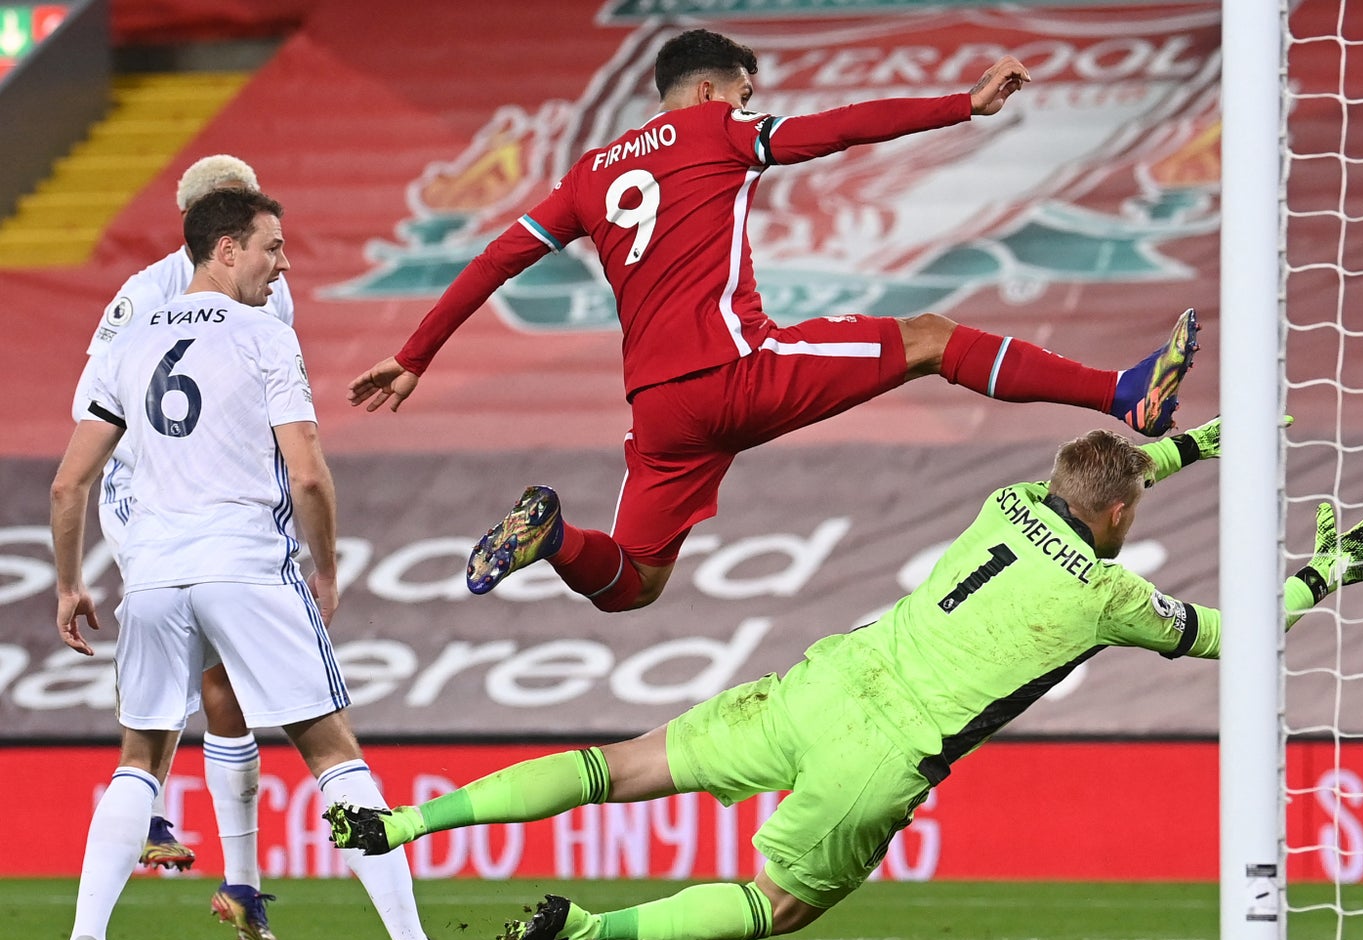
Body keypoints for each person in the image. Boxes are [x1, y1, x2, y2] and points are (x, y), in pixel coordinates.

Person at [326, 418, 1363, 940]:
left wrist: (1190, 445)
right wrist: (1321, 574)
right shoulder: (1110, 593)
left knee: (621, 766)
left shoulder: (1006, 499)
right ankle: (586, 931)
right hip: (881, 754)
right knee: (778, 904)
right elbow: (1230, 634)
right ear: (1121, 518)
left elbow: (1103, 475)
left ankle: (408, 818)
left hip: (823, 679)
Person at [346, 29, 1199, 616]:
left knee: (635, 583)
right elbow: (836, 132)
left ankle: (554, 535)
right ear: (713, 89)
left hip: (660, 409)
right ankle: (1121, 395)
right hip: (736, 368)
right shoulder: (719, 130)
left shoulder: (587, 177)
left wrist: (414, 355)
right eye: (748, 92)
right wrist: (960, 107)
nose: (753, 104)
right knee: (933, 339)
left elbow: (497, 256)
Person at [50, 190, 469, 940]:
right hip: (246, 564)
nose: (284, 265)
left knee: (139, 761)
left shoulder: (127, 341)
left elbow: (71, 484)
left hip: (155, 575)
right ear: (225, 250)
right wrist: (330, 567)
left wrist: (70, 584)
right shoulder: (264, 336)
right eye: (272, 248)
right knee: (331, 752)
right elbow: (306, 469)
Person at [73, 153, 290, 940]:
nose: (273, 256)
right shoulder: (145, 297)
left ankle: (238, 883)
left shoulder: (270, 284)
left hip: (222, 500)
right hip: (151, 498)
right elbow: (91, 419)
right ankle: (156, 797)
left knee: (224, 679)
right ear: (215, 232)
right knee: (191, 654)